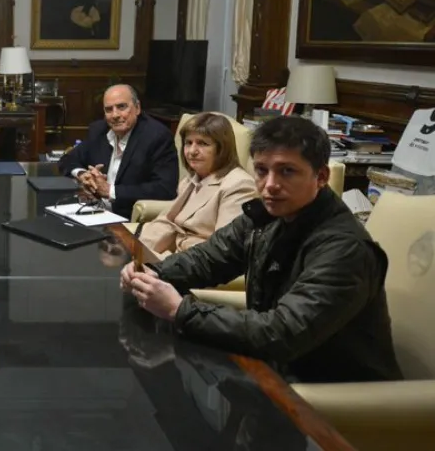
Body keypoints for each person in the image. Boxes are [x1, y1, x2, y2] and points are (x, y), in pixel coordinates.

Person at [122, 116, 402, 383]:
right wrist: (153, 272)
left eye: (287, 171)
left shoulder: (345, 248)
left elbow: (283, 334)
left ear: (321, 176)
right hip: (274, 370)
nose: (270, 185)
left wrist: (180, 310)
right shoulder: (268, 214)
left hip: (328, 392)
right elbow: (209, 258)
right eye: (261, 170)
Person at [139, 112, 257, 257]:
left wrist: (157, 263)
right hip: (170, 255)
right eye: (188, 143)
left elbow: (223, 251)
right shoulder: (191, 179)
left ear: (222, 148)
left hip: (195, 263)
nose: (192, 151)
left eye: (202, 143)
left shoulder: (240, 185)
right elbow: (168, 221)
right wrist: (134, 251)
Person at [57, 84, 178, 219]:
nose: (115, 115)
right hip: (93, 211)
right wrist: (83, 174)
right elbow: (67, 159)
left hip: (127, 219)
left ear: (137, 108)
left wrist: (110, 191)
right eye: (109, 109)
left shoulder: (157, 136)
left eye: (121, 107)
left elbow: (165, 189)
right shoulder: (99, 130)